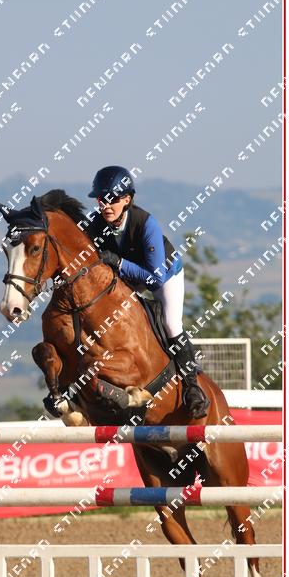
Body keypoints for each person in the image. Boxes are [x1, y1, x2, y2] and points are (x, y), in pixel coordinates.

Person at [86, 165, 209, 419]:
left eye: (113, 199)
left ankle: (192, 387)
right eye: (101, 200)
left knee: (171, 324)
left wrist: (118, 262)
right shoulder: (94, 224)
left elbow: (155, 278)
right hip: (129, 277)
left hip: (164, 275)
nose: (106, 205)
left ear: (127, 199)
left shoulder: (145, 223)